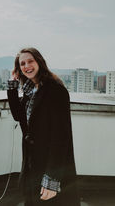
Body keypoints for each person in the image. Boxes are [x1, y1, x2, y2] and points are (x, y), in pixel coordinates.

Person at [7, 47, 80, 206]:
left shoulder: (55, 90)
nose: (27, 66)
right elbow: (18, 116)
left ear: (39, 61)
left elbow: (61, 137)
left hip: (49, 164)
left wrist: (52, 179)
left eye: (30, 61)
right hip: (32, 163)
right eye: (22, 64)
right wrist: (12, 86)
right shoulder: (30, 90)